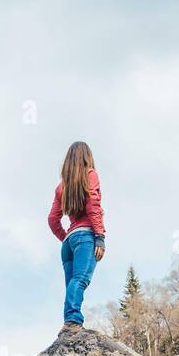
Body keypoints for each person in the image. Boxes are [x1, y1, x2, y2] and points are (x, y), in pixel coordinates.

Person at [48, 141, 106, 334]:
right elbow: (93, 205)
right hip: (86, 236)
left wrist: (66, 237)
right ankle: (72, 321)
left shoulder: (61, 186)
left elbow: (52, 219)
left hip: (68, 243)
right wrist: (99, 236)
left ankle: (70, 321)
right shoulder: (90, 175)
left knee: (72, 282)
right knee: (80, 280)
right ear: (87, 157)